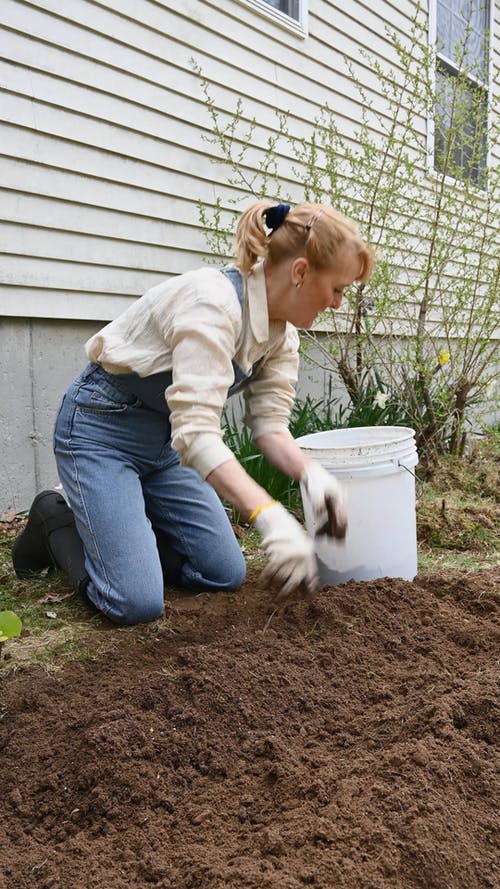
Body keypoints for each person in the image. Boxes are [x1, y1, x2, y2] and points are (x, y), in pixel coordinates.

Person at [12, 201, 373, 625]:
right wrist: (268, 514)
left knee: (223, 572)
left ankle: (124, 532)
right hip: (100, 431)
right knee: (136, 604)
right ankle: (54, 519)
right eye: (337, 289)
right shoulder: (212, 305)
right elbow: (198, 434)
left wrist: (313, 475)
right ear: (300, 273)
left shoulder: (280, 337)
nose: (338, 303)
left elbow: (270, 427)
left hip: (165, 446)